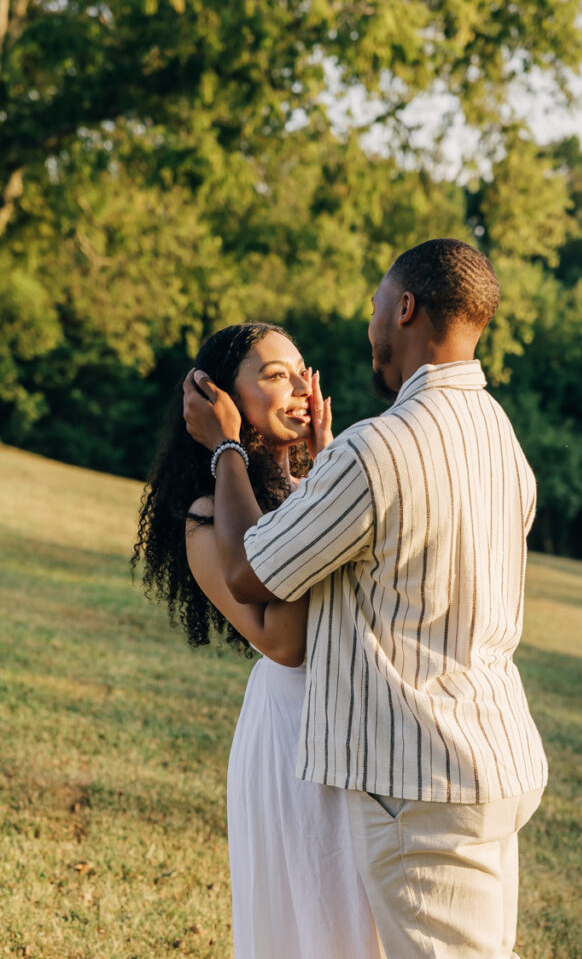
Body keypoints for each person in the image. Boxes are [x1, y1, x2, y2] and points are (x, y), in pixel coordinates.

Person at [182, 239, 548, 959]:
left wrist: (229, 448)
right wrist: (315, 471)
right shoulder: (498, 435)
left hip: (419, 777)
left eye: (376, 305)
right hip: (490, 758)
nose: (368, 323)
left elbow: (254, 571)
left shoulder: (374, 448)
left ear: (405, 307)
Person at [133, 322, 382, 959]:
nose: (300, 387)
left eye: (302, 371)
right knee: (314, 929)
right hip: (293, 743)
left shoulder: (316, 487)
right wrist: (227, 451)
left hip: (358, 736)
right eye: (274, 375)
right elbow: (283, 640)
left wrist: (325, 478)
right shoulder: (204, 516)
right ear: (222, 401)